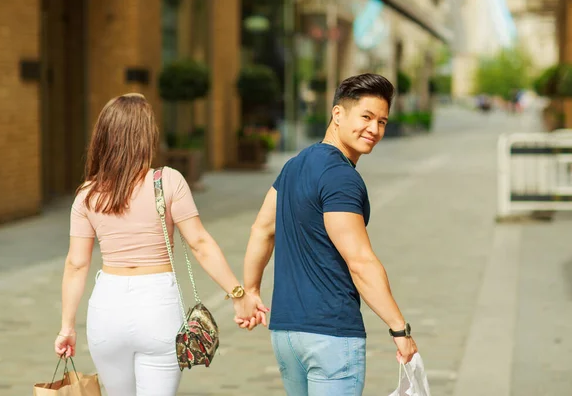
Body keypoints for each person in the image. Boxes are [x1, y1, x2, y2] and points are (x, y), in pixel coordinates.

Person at [54, 93, 266, 396]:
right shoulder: (167, 181)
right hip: (156, 306)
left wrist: (67, 327)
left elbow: (76, 264)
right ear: (146, 136)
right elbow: (200, 243)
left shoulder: (87, 193)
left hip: (107, 309)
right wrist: (238, 294)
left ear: (104, 136)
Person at [237, 74, 418, 395]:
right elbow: (360, 261)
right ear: (337, 114)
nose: (374, 130)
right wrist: (399, 328)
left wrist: (250, 290)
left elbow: (262, 229)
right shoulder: (340, 177)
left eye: (382, 121)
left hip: (287, 334)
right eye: (366, 117)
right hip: (330, 333)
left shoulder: (294, 165)